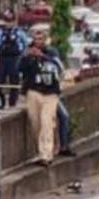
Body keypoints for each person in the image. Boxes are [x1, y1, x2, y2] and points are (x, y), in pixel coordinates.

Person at [18, 25, 65, 165]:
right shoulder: (27, 52)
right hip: (33, 91)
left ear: (45, 40)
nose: (38, 42)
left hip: (50, 93)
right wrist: (26, 57)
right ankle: (40, 151)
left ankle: (46, 154)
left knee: (46, 122)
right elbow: (19, 69)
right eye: (36, 39)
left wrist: (43, 57)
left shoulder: (52, 52)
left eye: (41, 39)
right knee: (36, 123)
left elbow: (59, 67)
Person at [0, 11, 29, 108]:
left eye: (11, 21)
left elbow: (25, 45)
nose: (9, 23)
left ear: (14, 21)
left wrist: (21, 55)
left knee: (14, 82)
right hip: (2, 59)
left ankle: (13, 102)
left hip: (15, 59)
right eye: (7, 20)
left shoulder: (19, 33)